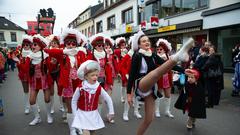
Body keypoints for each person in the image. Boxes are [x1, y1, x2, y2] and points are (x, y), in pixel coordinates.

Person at [127, 31, 194, 135]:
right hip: (141, 84)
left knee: (149, 119)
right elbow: (131, 75)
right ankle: (177, 57)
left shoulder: (153, 55)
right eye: (143, 41)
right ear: (139, 45)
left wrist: (183, 71)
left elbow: (165, 64)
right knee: (156, 73)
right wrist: (129, 94)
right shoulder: (137, 56)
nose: (147, 42)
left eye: (148, 41)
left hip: (151, 87)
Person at [44, 28, 86, 135]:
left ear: (76, 44)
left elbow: (86, 66)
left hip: (78, 83)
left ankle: (78, 127)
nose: (71, 45)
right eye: (68, 43)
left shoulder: (80, 53)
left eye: (73, 43)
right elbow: (47, 50)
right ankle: (72, 129)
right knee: (70, 106)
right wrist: (63, 50)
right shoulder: (62, 54)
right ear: (65, 44)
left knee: (78, 105)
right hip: (67, 84)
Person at [71, 60, 114, 135]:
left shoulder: (98, 87)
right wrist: (75, 113)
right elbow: (74, 101)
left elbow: (108, 98)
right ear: (86, 76)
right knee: (86, 133)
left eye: (96, 75)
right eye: (92, 75)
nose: (95, 77)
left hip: (93, 114)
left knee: (93, 132)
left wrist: (111, 111)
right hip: (82, 114)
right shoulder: (81, 87)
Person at [22, 34, 52, 125]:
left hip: (44, 80)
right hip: (34, 81)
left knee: (47, 99)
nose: (32, 46)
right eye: (32, 44)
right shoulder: (29, 57)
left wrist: (53, 63)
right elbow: (25, 69)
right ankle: (37, 117)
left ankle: (49, 115)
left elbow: (51, 68)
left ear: (40, 46)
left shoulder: (46, 56)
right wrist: (19, 63)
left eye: (35, 45)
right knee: (31, 100)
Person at [154, 38, 183, 118]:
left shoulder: (169, 57)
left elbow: (173, 66)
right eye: (158, 49)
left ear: (165, 50)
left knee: (168, 95)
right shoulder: (155, 57)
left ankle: (167, 111)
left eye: (161, 49)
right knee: (158, 94)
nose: (159, 50)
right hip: (159, 78)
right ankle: (156, 110)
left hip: (167, 77)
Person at [13, 35, 33, 114]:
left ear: (30, 45)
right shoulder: (19, 54)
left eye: (27, 45)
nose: (25, 46)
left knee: (33, 92)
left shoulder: (33, 54)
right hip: (23, 75)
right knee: (26, 92)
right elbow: (14, 58)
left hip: (31, 75)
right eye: (24, 45)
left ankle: (36, 106)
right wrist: (18, 62)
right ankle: (27, 107)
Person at [114, 37, 128, 102]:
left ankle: (128, 96)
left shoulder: (127, 50)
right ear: (119, 46)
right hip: (122, 68)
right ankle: (122, 97)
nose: (124, 46)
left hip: (128, 68)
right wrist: (122, 50)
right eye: (122, 45)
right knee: (123, 83)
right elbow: (115, 51)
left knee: (128, 83)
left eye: (124, 45)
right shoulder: (118, 51)